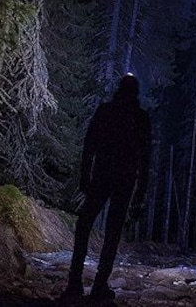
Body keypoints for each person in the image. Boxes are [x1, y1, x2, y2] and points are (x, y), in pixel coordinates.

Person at [61, 74, 151, 303]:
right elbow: (146, 158)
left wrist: (85, 176)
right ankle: (99, 284)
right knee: (112, 231)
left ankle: (75, 282)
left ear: (119, 89)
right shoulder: (140, 117)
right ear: (136, 92)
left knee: (85, 224)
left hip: (102, 175)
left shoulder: (106, 111)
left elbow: (89, 144)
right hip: (124, 180)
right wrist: (141, 190)